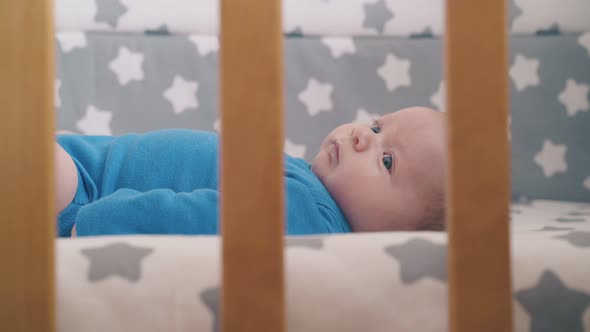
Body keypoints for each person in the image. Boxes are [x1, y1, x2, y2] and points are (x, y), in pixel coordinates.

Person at [54, 106, 445, 237]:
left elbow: (200, 220)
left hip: (87, 194)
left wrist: (100, 224)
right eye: (377, 126)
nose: (362, 136)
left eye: (387, 160)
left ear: (402, 234)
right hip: (91, 164)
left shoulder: (312, 217)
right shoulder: (309, 190)